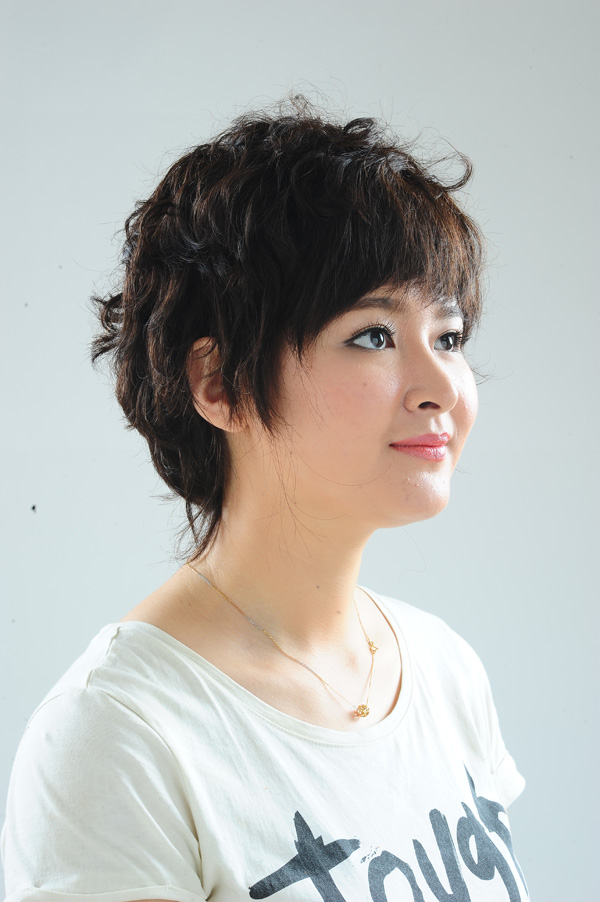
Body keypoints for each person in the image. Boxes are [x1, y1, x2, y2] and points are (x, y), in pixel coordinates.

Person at [1, 97, 528, 901]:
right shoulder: (120, 737)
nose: (442, 388)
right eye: (374, 335)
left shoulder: (443, 673)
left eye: (448, 337)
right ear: (220, 383)